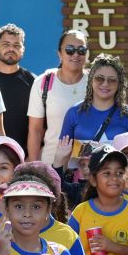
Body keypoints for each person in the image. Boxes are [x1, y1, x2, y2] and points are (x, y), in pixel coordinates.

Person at [56, 54, 128, 205]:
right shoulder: (74, 113)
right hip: (82, 187)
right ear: (91, 80)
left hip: (119, 187)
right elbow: (61, 155)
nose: (105, 84)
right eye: (99, 78)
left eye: (112, 80)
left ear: (119, 84)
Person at [27, 29, 90, 165]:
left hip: (88, 166)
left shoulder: (95, 82)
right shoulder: (43, 82)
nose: (75, 54)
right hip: (52, 162)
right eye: (69, 49)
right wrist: (34, 165)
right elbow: (35, 130)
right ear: (59, 53)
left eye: (81, 50)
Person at [0, 24, 34, 157]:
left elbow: (38, 126)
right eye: (6, 44)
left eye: (16, 45)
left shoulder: (32, 81)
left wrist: (29, 157)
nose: (11, 49)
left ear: (23, 50)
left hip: (19, 157)